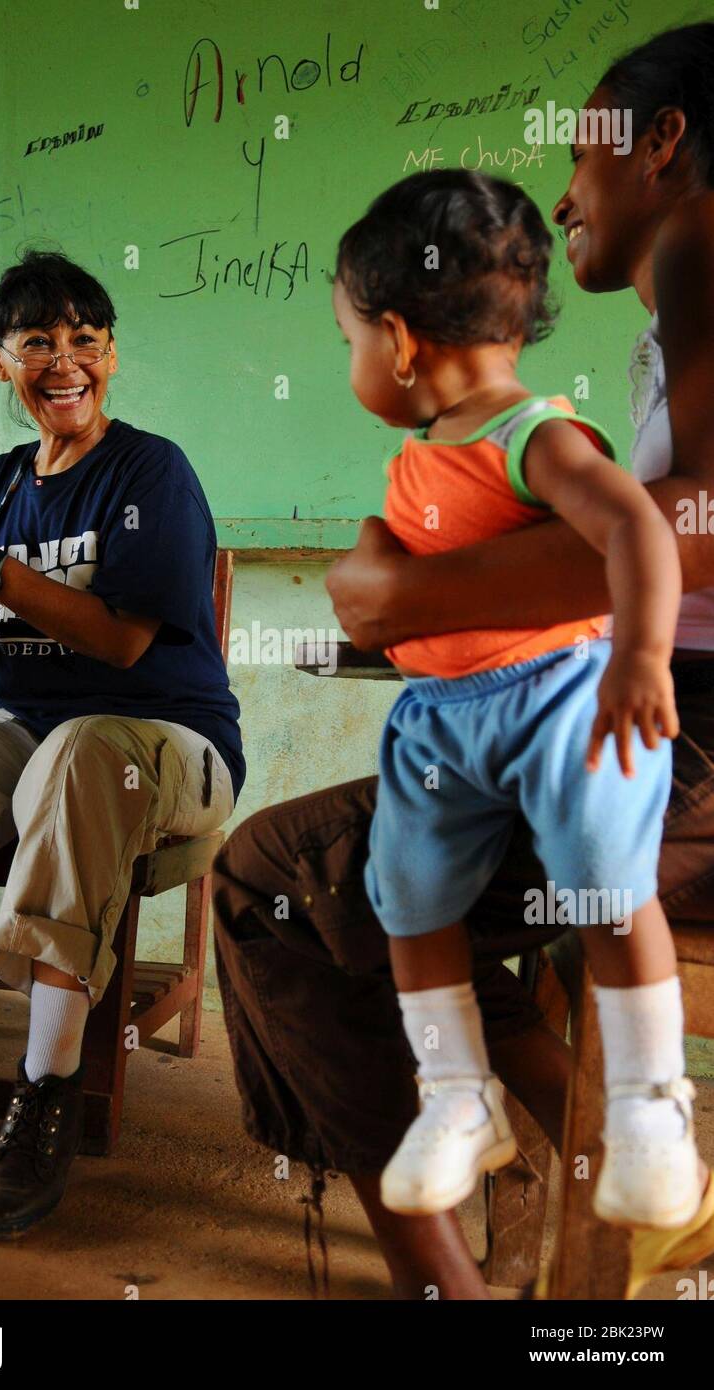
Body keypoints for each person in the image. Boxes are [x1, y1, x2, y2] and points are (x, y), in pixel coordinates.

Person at [214, 22, 714, 1297]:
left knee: (271, 886)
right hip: (616, 717)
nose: (563, 194)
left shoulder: (689, 287)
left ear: (661, 143)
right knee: (402, 891)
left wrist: (400, 593)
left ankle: (458, 1270)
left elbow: (681, 530)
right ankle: (599, 1153)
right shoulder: (635, 355)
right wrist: (414, 611)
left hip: (673, 734)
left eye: (587, 147)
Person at [334, 165, 701, 1230]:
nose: (353, 361)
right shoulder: (421, 454)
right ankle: (455, 1094)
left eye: (350, 339)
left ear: (399, 341)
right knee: (405, 898)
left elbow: (637, 527)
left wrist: (636, 657)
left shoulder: (529, 434)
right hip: (443, 721)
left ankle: (646, 1106)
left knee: (600, 879)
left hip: (559, 699)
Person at [0, 249, 245, 1240]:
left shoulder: (149, 469)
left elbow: (119, 640)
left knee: (81, 750)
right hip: (36, 740)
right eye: (37, 342)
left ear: (111, 356)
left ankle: (43, 1095)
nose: (62, 361)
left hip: (166, 747)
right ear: (0, 362)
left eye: (83, 340)